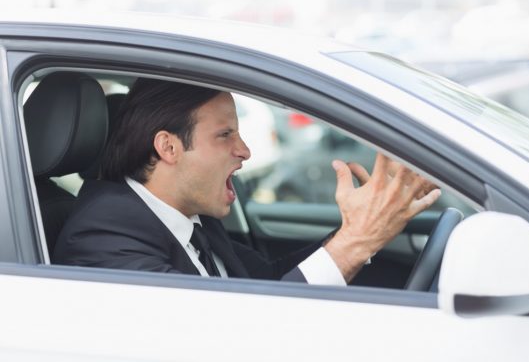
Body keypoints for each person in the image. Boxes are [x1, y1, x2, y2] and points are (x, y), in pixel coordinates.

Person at [53, 78, 440, 285]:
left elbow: (269, 281)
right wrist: (355, 244)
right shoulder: (103, 234)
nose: (245, 151)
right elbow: (229, 336)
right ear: (168, 147)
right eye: (225, 135)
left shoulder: (188, 219)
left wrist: (363, 231)